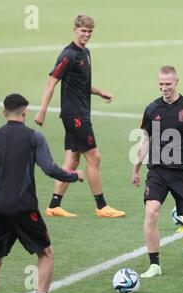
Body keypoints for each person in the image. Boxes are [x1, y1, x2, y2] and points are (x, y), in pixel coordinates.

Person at [0, 94, 84, 293]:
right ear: (25, 112)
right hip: (24, 208)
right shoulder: (34, 137)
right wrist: (73, 175)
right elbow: (49, 168)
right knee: (46, 253)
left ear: (4, 113)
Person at [34, 14, 125, 218]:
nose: (87, 35)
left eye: (90, 32)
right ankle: (102, 207)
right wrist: (42, 110)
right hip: (74, 115)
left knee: (72, 160)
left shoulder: (86, 53)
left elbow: (81, 84)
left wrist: (100, 92)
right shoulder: (68, 55)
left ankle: (54, 205)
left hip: (81, 112)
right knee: (94, 157)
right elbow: (52, 82)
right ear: (75, 30)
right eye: (83, 31)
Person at [132, 66, 183, 278]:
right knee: (151, 211)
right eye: (161, 84)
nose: (164, 88)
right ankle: (154, 265)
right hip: (158, 171)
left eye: (168, 84)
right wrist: (136, 167)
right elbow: (145, 140)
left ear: (176, 82)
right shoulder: (152, 109)